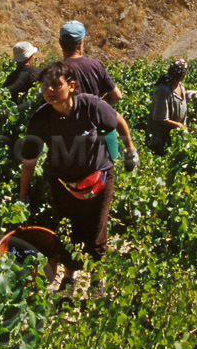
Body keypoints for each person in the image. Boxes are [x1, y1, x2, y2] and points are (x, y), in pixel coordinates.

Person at [16, 61, 137, 288]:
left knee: (96, 229)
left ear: (71, 86)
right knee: (69, 229)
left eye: (55, 85)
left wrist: (131, 150)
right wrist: (23, 197)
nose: (49, 91)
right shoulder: (40, 120)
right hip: (63, 183)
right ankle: (69, 278)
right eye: (44, 86)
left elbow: (118, 121)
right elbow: (29, 162)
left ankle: (96, 280)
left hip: (99, 178)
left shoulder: (91, 106)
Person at [57, 21, 122, 103]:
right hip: (94, 115)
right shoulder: (96, 65)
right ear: (80, 43)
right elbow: (117, 95)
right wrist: (98, 107)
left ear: (60, 42)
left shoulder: (57, 70)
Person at [146, 59, 192, 152]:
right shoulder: (163, 90)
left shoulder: (181, 87)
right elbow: (160, 118)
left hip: (175, 138)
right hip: (160, 140)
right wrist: (179, 126)